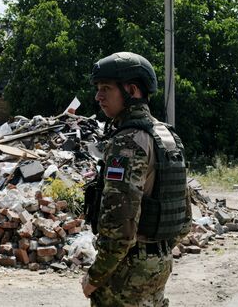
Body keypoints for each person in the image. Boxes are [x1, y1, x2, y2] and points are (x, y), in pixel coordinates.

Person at [81, 52, 192, 306]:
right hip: (159, 263)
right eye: (98, 89)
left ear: (132, 90)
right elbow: (184, 219)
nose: (98, 96)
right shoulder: (167, 136)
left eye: (106, 88)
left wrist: (95, 277)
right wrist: (156, 250)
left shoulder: (128, 141)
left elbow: (119, 227)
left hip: (127, 269)